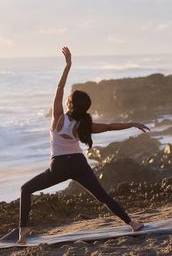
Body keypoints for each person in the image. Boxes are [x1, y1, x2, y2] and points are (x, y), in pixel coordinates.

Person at [18, 46, 149, 244]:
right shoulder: (85, 125)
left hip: (59, 166)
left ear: (69, 104)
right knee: (102, 196)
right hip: (79, 164)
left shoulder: (58, 118)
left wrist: (68, 66)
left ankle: (23, 231)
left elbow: (59, 89)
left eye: (69, 99)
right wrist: (132, 123)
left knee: (25, 189)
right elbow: (110, 127)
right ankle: (132, 223)